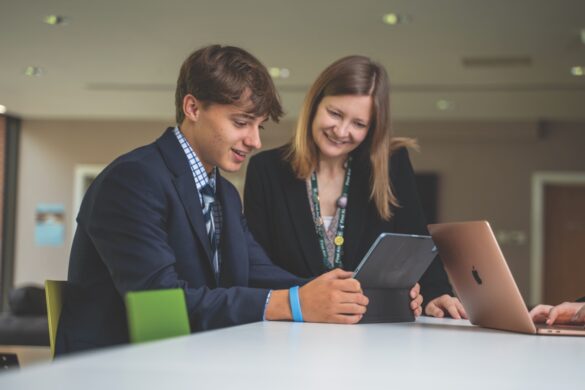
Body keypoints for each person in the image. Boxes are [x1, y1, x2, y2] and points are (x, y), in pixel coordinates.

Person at [58, 46, 421, 354]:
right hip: (118, 368)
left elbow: (258, 272)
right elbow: (159, 304)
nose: (255, 141)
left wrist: (347, 294)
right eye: (241, 122)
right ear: (193, 108)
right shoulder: (133, 179)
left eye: (258, 126)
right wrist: (292, 303)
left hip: (189, 357)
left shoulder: (224, 193)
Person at [244, 55, 466, 319]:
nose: (341, 131)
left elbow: (416, 243)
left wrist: (435, 294)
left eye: (358, 124)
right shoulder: (266, 170)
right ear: (315, 105)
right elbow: (258, 269)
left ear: (372, 128)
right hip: (294, 329)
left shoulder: (391, 165)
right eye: (335, 114)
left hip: (374, 333)